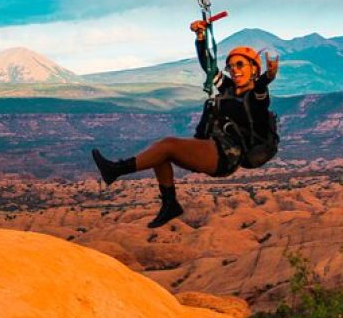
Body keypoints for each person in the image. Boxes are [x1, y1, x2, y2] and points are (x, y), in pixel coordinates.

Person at [91, 19, 279, 228]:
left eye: (240, 64)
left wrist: (267, 77)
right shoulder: (228, 89)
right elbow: (208, 67)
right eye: (231, 65)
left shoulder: (256, 97)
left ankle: (116, 170)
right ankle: (170, 204)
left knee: (168, 145)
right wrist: (200, 38)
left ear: (254, 69)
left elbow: (261, 90)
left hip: (227, 155)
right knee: (159, 153)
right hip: (214, 147)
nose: (234, 70)